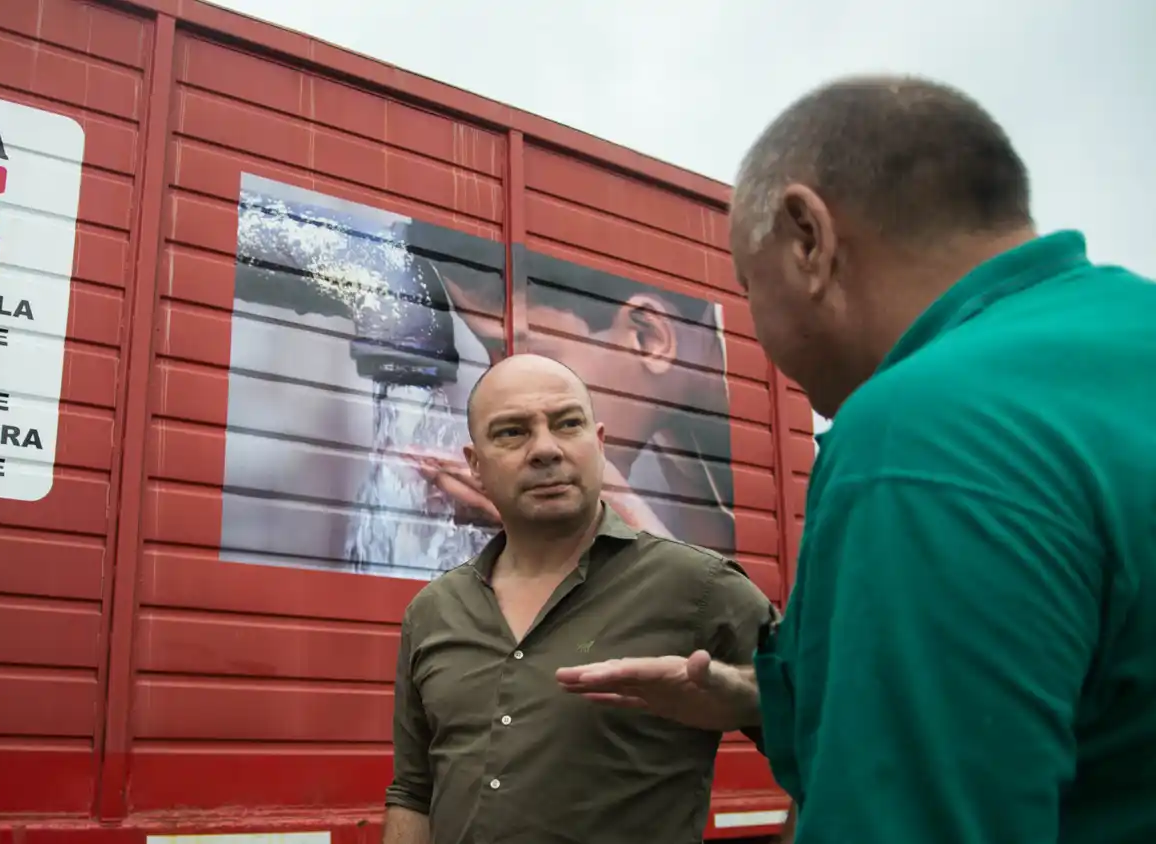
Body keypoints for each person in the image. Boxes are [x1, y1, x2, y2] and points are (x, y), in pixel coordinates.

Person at [556, 74, 1156, 844]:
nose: (763, 336)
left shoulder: (921, 435)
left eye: (749, 285)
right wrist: (756, 700)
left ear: (809, 238)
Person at [383, 353, 775, 844]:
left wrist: (743, 694)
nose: (546, 449)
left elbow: (832, 728)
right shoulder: (433, 612)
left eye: (568, 424)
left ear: (599, 443)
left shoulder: (699, 586)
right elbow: (414, 793)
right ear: (475, 466)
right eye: (512, 432)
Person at [406, 222, 737, 552]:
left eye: (529, 357)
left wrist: (608, 514)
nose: (503, 391)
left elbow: (722, 598)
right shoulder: (676, 427)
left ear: (647, 338)